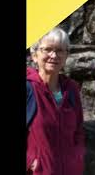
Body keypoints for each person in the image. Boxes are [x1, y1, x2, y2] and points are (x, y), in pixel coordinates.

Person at [26, 27, 85, 175]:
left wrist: (77, 156)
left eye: (60, 50)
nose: (54, 55)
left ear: (66, 56)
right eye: (47, 49)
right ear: (34, 55)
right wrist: (30, 160)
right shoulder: (28, 89)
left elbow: (78, 131)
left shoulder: (71, 89)